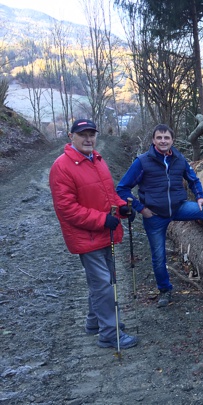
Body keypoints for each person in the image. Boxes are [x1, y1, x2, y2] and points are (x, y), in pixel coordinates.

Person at [116, 124, 203, 308]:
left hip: (179, 207)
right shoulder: (142, 161)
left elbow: (193, 179)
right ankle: (165, 290)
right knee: (158, 256)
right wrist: (141, 209)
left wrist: (200, 197)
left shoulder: (179, 158)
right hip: (154, 215)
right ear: (153, 140)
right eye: (159, 138)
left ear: (172, 140)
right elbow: (122, 189)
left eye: (166, 138)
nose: (163, 141)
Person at [49, 119, 139, 349]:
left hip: (103, 233)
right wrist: (102, 220)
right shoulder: (62, 166)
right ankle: (109, 333)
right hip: (86, 236)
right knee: (103, 285)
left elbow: (108, 196)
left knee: (103, 282)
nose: (88, 139)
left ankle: (94, 323)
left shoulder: (97, 160)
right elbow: (67, 209)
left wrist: (121, 208)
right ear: (71, 137)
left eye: (92, 134)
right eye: (83, 135)